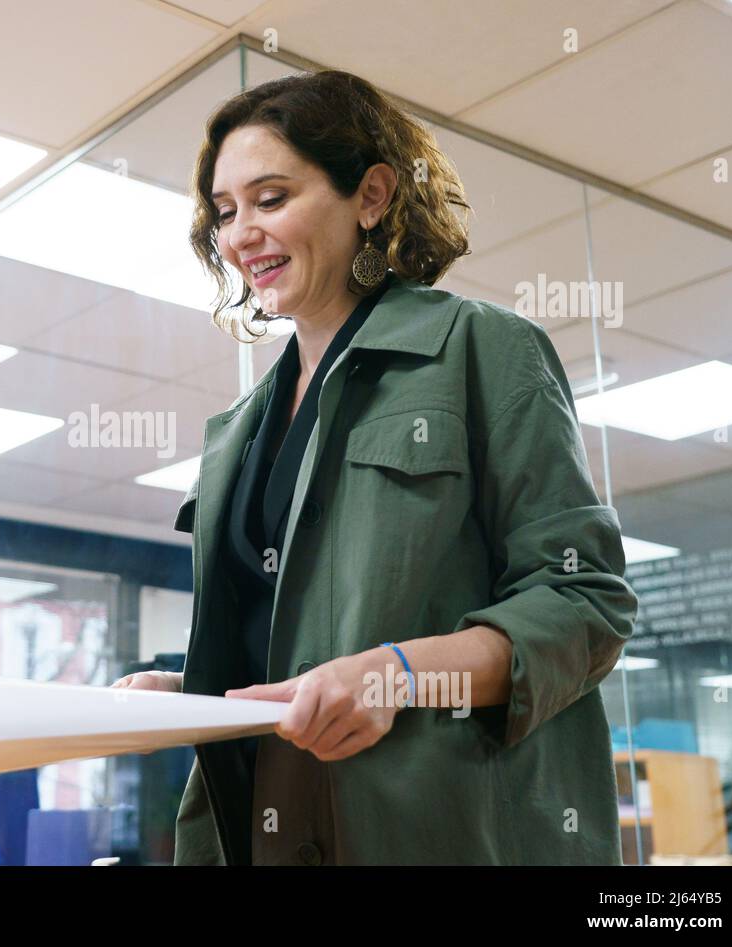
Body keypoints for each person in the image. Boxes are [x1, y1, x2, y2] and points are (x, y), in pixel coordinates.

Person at [112, 70, 637, 865]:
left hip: (431, 832)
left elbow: (584, 605)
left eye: (271, 198)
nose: (240, 233)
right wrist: (192, 692)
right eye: (224, 213)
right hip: (256, 827)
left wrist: (398, 675)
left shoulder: (480, 349)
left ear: (372, 196)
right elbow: (302, 644)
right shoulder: (236, 436)